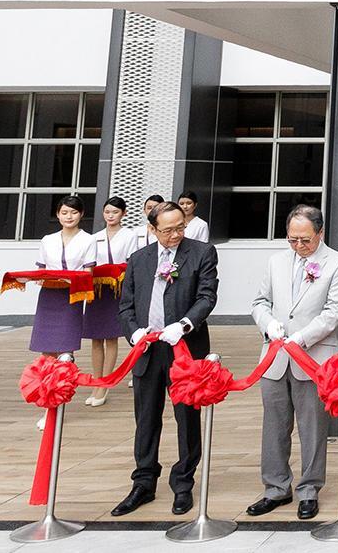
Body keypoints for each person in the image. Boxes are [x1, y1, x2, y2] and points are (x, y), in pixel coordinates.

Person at [111, 202, 219, 517]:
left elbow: (206, 296)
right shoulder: (138, 260)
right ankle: (143, 481)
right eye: (168, 229)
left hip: (184, 348)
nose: (175, 235)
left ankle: (183, 483)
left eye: (180, 227)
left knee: (186, 417)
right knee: (145, 418)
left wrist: (183, 325)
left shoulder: (201, 253)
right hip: (147, 349)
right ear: (152, 229)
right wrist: (134, 334)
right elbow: (126, 306)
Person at [247, 205, 338, 521]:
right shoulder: (277, 261)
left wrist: (301, 339)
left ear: (319, 233)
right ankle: (275, 488)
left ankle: (309, 489)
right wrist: (268, 324)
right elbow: (260, 302)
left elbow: (334, 312)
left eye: (305, 240)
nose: (298, 246)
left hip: (313, 357)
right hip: (274, 357)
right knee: (274, 425)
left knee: (312, 427)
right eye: (292, 240)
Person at [83, 196, 137, 406]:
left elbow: (131, 262)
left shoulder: (129, 235)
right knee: (96, 337)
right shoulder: (94, 237)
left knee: (111, 337)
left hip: (117, 289)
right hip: (97, 288)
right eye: (107, 212)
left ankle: (106, 384)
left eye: (115, 212)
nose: (110, 216)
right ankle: (97, 381)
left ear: (123, 213)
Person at [31, 195, 94, 360]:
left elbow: (89, 272)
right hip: (49, 294)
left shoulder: (88, 240)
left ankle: (64, 382)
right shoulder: (47, 240)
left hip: (72, 294)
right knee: (46, 347)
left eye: (73, 212)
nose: (69, 217)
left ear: (81, 214)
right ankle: (46, 383)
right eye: (64, 212)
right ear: (58, 214)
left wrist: (70, 279)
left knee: (66, 349)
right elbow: (41, 268)